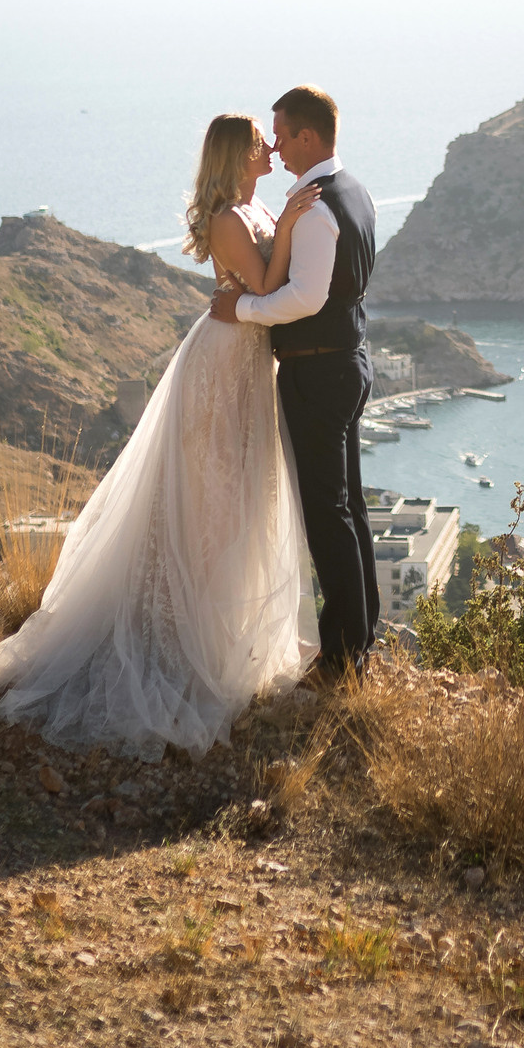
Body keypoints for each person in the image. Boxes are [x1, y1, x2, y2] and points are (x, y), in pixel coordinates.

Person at [0, 113, 322, 758]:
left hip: (246, 360)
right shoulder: (228, 217)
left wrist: (291, 221)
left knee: (241, 501)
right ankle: (190, 646)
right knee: (214, 505)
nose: (270, 149)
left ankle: (227, 638)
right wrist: (298, 222)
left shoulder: (253, 210)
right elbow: (266, 286)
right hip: (222, 367)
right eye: (258, 144)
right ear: (235, 155)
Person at [210, 84, 380, 676]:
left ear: (308, 136)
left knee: (326, 512)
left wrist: (245, 312)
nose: (275, 145)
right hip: (349, 361)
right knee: (349, 506)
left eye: (281, 134)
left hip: (317, 370)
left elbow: (304, 297)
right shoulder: (353, 192)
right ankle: (362, 635)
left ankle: (343, 656)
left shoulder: (318, 207)